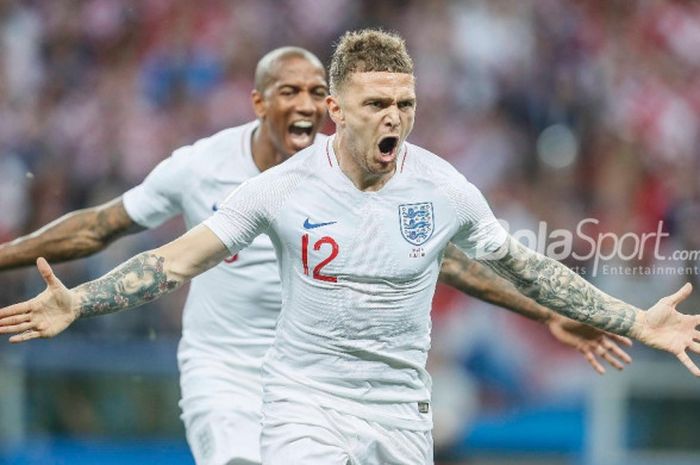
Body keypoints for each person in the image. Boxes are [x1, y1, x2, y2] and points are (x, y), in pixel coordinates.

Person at [1, 30, 685, 465]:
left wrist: (633, 318)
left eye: (405, 103)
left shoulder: (443, 188)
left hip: (400, 409)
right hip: (302, 401)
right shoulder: (278, 189)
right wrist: (82, 300)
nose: (395, 118)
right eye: (377, 104)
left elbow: (519, 265)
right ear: (337, 111)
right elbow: (173, 259)